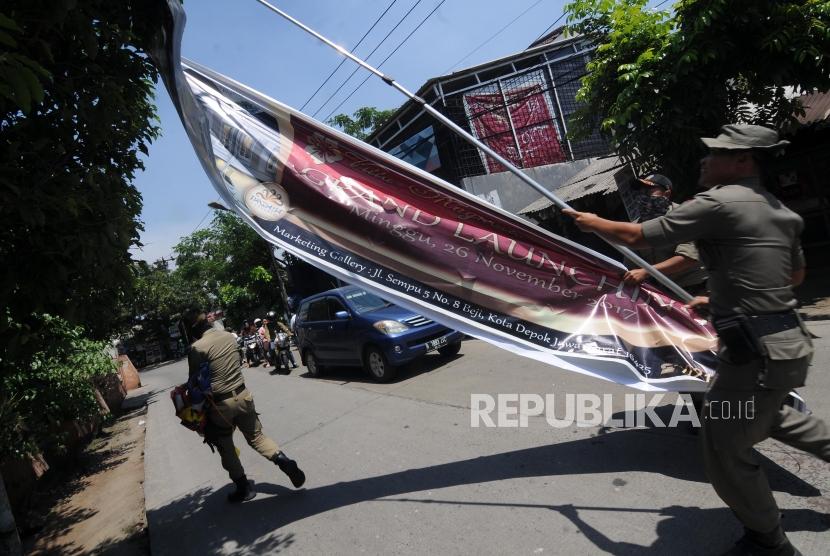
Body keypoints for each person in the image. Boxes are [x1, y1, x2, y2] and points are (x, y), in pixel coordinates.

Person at [563, 124, 830, 556]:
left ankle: (769, 541)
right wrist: (723, 298)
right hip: (786, 343)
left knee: (723, 445)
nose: (704, 161)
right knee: (776, 417)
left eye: (715, 154)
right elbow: (793, 275)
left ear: (743, 161)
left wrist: (592, 223)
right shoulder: (778, 208)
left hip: (754, 351)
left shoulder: (717, 203)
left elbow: (636, 236)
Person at [180, 308, 306, 502]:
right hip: (243, 395)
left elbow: (194, 380)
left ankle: (244, 488)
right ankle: (284, 462)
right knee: (257, 437)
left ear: (192, 329)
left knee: (225, 445)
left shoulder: (197, 348)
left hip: (221, 406)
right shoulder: (229, 337)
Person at [622, 174, 708, 296]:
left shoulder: (684, 215)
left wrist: (646, 272)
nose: (643, 194)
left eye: (649, 189)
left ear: (667, 193)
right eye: (640, 191)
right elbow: (630, 267)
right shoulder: (636, 227)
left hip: (699, 290)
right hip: (668, 297)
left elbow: (688, 258)